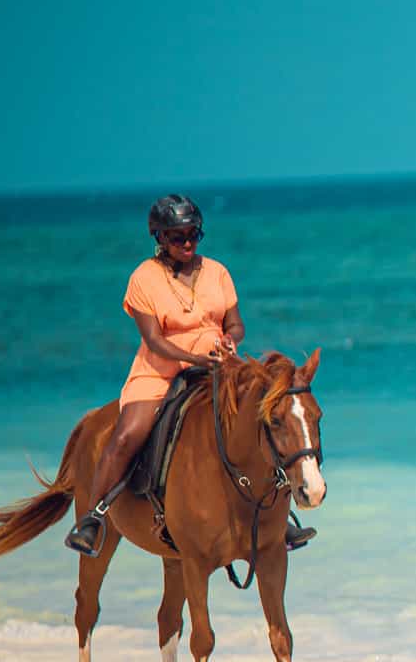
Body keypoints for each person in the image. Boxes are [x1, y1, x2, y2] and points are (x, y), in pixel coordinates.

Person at [65, 196, 314, 555]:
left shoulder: (218, 272)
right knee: (127, 435)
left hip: (218, 366)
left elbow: (236, 323)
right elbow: (153, 340)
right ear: (160, 237)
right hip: (160, 369)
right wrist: (192, 357)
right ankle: (93, 517)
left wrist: (230, 339)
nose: (186, 243)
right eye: (176, 236)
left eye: (192, 234)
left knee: (259, 420)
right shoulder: (143, 279)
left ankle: (281, 515)